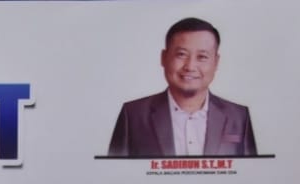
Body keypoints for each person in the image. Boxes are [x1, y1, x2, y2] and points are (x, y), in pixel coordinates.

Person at [108, 17, 257, 157]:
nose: (190, 66)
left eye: (202, 57)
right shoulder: (133, 115)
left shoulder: (239, 117)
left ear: (216, 62)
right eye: (181, 54)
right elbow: (115, 172)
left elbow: (251, 172)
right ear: (163, 58)